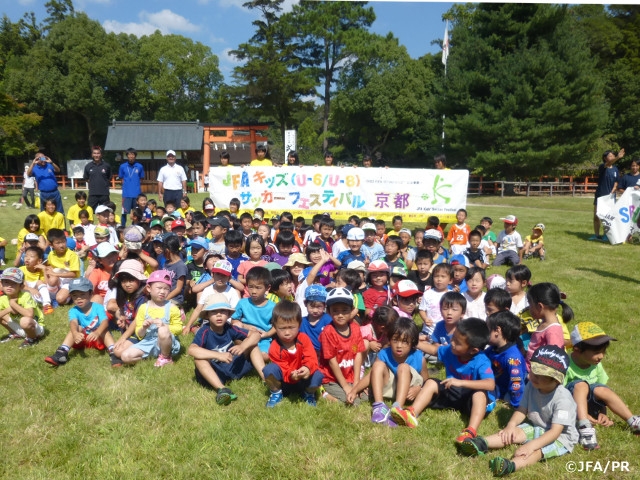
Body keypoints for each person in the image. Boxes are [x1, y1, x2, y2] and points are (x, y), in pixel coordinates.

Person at [458, 345, 577, 477]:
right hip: (537, 426)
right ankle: (481, 443)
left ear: (556, 379)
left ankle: (510, 466)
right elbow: (522, 410)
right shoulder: (532, 385)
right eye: (533, 370)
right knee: (514, 433)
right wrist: (510, 426)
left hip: (560, 437)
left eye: (540, 374)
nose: (533, 376)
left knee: (537, 452)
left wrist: (531, 445)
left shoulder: (563, 399)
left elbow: (555, 432)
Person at [393, 318, 496, 443]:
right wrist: (415, 343)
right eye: (453, 338)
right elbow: (434, 350)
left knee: (479, 394)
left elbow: (490, 384)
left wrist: (461, 382)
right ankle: (411, 414)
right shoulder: (451, 350)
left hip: (472, 400)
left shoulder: (481, 361)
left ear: (473, 350)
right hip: (452, 392)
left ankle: (470, 432)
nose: (452, 343)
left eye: (457, 342)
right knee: (431, 382)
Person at [565, 322, 640, 450]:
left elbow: (602, 393)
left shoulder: (595, 364)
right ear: (577, 349)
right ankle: (585, 429)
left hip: (591, 407)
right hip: (570, 409)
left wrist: (602, 412)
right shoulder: (566, 364)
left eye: (604, 352)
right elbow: (559, 395)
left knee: (600, 388)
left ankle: (633, 421)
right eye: (597, 352)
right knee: (581, 386)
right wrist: (582, 416)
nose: (601, 356)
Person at [188, 293, 261, 405]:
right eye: (214, 312)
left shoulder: (229, 328)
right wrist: (218, 356)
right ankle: (222, 389)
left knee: (252, 345)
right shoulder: (205, 331)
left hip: (231, 365)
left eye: (223, 311)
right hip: (214, 373)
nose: (219, 315)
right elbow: (192, 350)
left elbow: (256, 335)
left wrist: (243, 346)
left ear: (228, 314)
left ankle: (266, 378)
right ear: (207, 315)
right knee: (199, 359)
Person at [44, 277, 120, 367]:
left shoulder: (97, 307)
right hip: (82, 339)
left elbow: (105, 322)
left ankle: (113, 352)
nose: (79, 298)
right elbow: (73, 323)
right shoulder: (73, 310)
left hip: (98, 338)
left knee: (105, 331)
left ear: (91, 294)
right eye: (75, 296)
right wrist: (75, 333)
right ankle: (62, 352)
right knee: (77, 328)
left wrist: (97, 332)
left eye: (82, 294)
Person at [262, 300, 324, 407]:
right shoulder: (275, 346)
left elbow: (311, 358)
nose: (287, 332)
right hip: (284, 382)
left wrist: (307, 369)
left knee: (318, 375)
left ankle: (308, 394)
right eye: (282, 328)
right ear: (275, 327)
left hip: (303, 379)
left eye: (291, 327)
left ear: (299, 325)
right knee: (268, 370)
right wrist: (291, 375)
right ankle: (276, 393)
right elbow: (281, 366)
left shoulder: (304, 339)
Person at [369, 317, 428, 426]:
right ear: (389, 339)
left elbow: (427, 383)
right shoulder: (384, 353)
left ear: (413, 342)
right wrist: (356, 389)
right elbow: (373, 373)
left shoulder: (419, 358)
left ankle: (397, 409)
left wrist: (419, 389)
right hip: (390, 388)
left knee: (403, 367)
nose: (399, 345)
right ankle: (379, 406)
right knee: (377, 365)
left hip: (409, 391)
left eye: (405, 342)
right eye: (395, 340)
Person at [120, 270, 183, 367]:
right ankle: (153, 357)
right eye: (159, 288)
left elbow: (179, 329)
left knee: (162, 330)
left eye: (166, 289)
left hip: (167, 343)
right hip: (148, 342)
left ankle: (166, 357)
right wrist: (144, 328)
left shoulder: (172, 308)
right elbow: (139, 334)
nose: (162, 291)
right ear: (149, 288)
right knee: (125, 356)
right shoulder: (143, 308)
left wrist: (164, 325)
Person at [318, 287, 367, 404]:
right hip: (332, 378)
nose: (340, 315)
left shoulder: (355, 328)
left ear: (352, 310)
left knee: (366, 397)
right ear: (328, 312)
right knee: (353, 402)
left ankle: (349, 387)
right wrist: (345, 386)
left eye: (345, 310)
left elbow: (358, 354)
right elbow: (332, 361)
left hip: (349, 375)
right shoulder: (328, 332)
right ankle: (323, 394)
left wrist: (356, 383)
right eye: (335, 311)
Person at [525, 283, 574, 369]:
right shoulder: (544, 322)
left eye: (530, 304)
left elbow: (554, 360)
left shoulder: (552, 331)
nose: (529, 308)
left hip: (539, 376)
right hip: (532, 370)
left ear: (540, 306)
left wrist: (536, 377)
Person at [485, 311, 527, 409]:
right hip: (497, 387)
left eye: (487, 329)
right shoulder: (493, 348)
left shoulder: (512, 358)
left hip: (508, 392)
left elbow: (516, 383)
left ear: (497, 331)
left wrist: (516, 405)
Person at [0, 267, 45, 348]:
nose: (9, 286)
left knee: (24, 320)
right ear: (2, 284)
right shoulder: (3, 298)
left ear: (21, 286)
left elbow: (29, 315)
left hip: (35, 328)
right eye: (6, 282)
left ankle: (32, 338)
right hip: (20, 326)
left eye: (14, 283)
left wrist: (13, 304)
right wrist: (9, 309)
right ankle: (15, 333)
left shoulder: (25, 295)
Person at [591, 149, 624, 241]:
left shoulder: (615, 169)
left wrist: (615, 187)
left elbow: (617, 180)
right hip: (600, 195)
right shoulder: (603, 166)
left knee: (608, 217)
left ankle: (606, 235)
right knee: (597, 215)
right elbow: (608, 164)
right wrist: (618, 157)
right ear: (605, 158)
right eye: (610, 156)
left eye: (613, 155)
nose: (612, 157)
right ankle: (596, 235)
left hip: (610, 197)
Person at [118, 147, 144, 227]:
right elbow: (121, 177)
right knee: (124, 213)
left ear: (135, 156)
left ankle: (137, 226)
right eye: (129, 154)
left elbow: (141, 178)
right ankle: (122, 227)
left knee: (137, 212)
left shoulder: (139, 166)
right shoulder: (122, 166)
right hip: (126, 194)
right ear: (127, 156)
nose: (131, 156)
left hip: (136, 194)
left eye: (132, 154)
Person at [83, 146, 112, 211]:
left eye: (98, 153)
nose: (96, 155)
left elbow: (109, 177)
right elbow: (86, 178)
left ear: (101, 154)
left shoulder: (106, 166)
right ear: (92, 154)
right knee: (89, 212)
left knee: (105, 212)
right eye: (95, 153)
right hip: (93, 193)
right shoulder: (88, 166)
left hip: (104, 194)